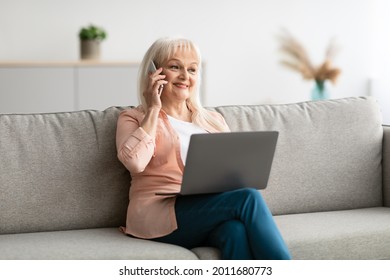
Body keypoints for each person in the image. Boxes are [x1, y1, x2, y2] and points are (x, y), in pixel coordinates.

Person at [116, 37, 291, 260]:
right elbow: (134, 162)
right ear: (154, 73)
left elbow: (232, 172)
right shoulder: (133, 118)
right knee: (247, 198)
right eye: (174, 67)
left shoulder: (213, 120)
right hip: (157, 212)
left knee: (234, 231)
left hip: (204, 209)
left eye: (192, 69)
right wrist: (153, 109)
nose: (184, 76)